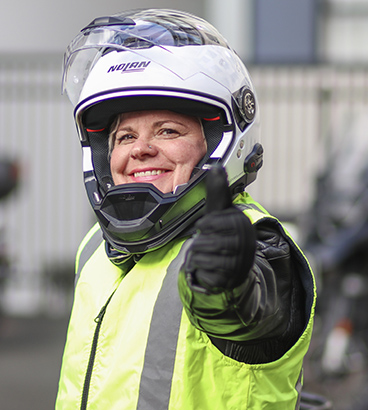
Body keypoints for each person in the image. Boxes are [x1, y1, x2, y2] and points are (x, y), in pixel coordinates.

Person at [56, 8, 315, 410]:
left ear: (217, 144)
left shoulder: (255, 241)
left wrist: (222, 283)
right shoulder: (95, 247)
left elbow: (247, 310)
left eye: (168, 131)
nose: (140, 149)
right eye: (124, 136)